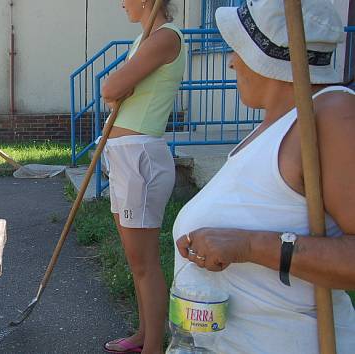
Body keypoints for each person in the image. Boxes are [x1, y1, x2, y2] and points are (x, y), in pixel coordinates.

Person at [172, 1, 355, 353]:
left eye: (237, 49)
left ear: (262, 56)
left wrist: (252, 246)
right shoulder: (278, 123)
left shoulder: (332, 114)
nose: (231, 61)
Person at [100, 1, 184, 353]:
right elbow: (112, 93)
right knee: (136, 261)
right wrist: (117, 88)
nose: (121, 3)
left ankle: (153, 347)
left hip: (140, 156)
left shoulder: (165, 38)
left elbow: (110, 88)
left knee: (145, 262)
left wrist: (117, 87)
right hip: (123, 154)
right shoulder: (143, 40)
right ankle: (143, 334)